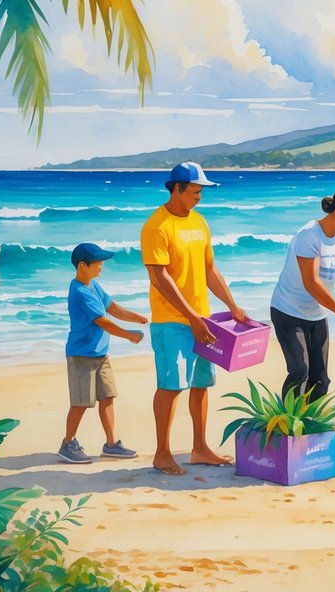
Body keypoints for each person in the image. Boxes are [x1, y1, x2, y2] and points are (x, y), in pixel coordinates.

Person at [141, 162, 250, 476]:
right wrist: (191, 316)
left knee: (201, 384)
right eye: (195, 191)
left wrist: (232, 305)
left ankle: (200, 448)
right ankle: (162, 453)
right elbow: (160, 278)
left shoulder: (200, 222)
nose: (200, 197)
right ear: (177, 189)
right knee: (171, 385)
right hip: (171, 320)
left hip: (202, 319)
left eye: (202, 192)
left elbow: (209, 269)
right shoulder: (156, 226)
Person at [269, 189, 335, 402]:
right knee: (299, 370)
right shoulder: (309, 235)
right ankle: (287, 426)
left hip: (316, 315)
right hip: (288, 311)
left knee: (321, 379)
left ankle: (311, 426)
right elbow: (311, 283)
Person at [58, 242, 149, 464]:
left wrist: (136, 317)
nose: (101, 267)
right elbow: (104, 322)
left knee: (107, 397)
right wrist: (129, 335)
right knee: (81, 403)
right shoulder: (80, 292)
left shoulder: (93, 285)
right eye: (98, 263)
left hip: (100, 354)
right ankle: (67, 444)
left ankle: (110, 444)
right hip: (82, 356)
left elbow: (112, 307)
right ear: (83, 266)